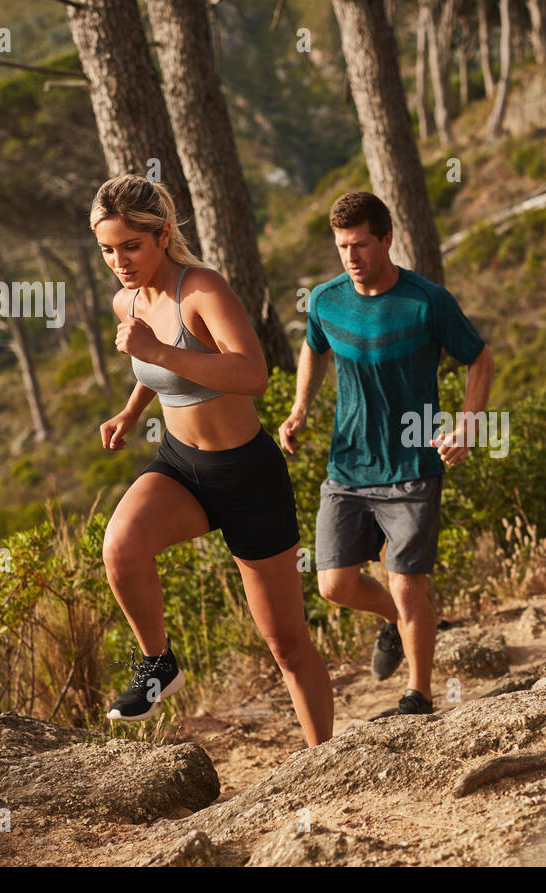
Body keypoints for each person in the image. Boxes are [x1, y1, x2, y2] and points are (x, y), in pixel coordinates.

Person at [91, 173, 333, 747]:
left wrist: (156, 350)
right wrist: (131, 410)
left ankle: (325, 759)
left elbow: (251, 374)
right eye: (107, 250)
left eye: (132, 246)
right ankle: (158, 664)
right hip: (181, 466)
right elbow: (160, 371)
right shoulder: (126, 300)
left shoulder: (201, 289)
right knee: (120, 548)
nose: (120, 262)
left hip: (247, 476)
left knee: (286, 644)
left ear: (163, 235)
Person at [279, 191, 493, 718]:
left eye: (359, 245)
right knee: (335, 585)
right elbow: (313, 346)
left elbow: (480, 358)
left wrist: (466, 425)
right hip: (348, 463)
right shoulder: (327, 300)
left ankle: (418, 697)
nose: (350, 257)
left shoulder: (427, 301)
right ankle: (396, 622)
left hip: (412, 465)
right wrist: (299, 408)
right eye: (341, 247)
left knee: (407, 583)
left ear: (387, 240)